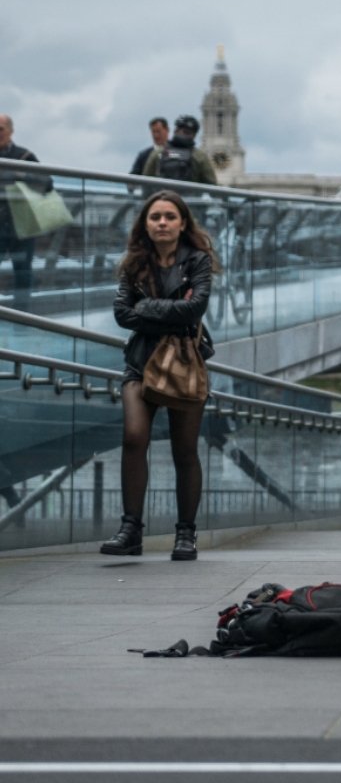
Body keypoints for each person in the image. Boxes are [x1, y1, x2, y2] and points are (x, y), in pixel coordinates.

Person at [101, 190, 217, 561]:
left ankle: (186, 534)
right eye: (155, 217)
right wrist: (170, 309)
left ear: (182, 223)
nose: (162, 223)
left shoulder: (197, 261)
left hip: (184, 362)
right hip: (140, 361)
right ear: (145, 224)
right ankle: (130, 529)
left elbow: (196, 308)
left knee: (185, 450)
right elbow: (122, 314)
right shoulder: (134, 264)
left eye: (169, 216)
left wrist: (147, 307)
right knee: (134, 437)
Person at [0, 114, 52, 311]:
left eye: (0, 129)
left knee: (22, 273)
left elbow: (47, 183)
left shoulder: (25, 157)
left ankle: (21, 317)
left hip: (22, 226)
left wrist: (22, 175)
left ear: (11, 131)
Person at [142, 115, 218, 186]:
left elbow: (145, 180)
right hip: (190, 199)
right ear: (194, 135)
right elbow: (212, 185)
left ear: (175, 131)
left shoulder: (158, 153)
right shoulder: (199, 156)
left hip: (161, 197)